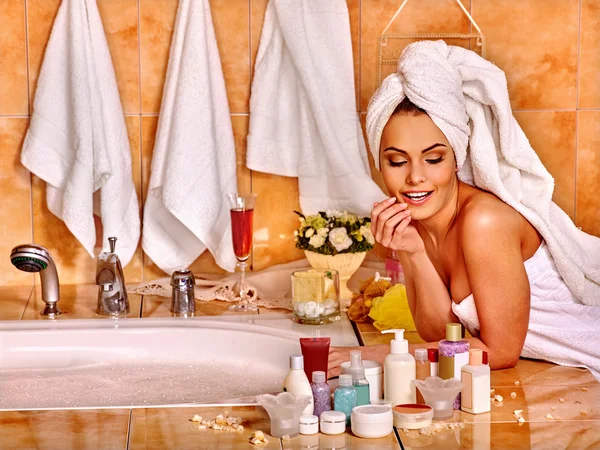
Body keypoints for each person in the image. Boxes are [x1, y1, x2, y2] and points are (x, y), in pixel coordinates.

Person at [329, 40, 600, 380]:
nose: (415, 177)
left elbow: (500, 352)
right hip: (571, 374)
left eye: (434, 158)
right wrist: (412, 252)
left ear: (456, 158)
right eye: (397, 160)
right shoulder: (420, 223)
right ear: (379, 163)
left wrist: (376, 355)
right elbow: (440, 334)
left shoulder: (484, 222)